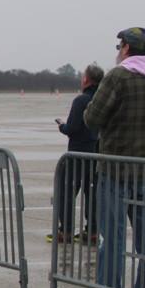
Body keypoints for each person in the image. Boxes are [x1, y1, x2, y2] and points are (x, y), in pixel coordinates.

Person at [80, 28, 145, 288]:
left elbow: (92, 118)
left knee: (113, 237)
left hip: (115, 170)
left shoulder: (118, 76)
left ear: (126, 49)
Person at [49, 64, 102, 243]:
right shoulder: (103, 99)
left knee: (66, 192)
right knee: (92, 193)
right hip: (97, 154)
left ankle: (66, 230)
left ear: (85, 79)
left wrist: (62, 125)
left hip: (78, 154)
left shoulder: (81, 100)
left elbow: (72, 128)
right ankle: (92, 231)